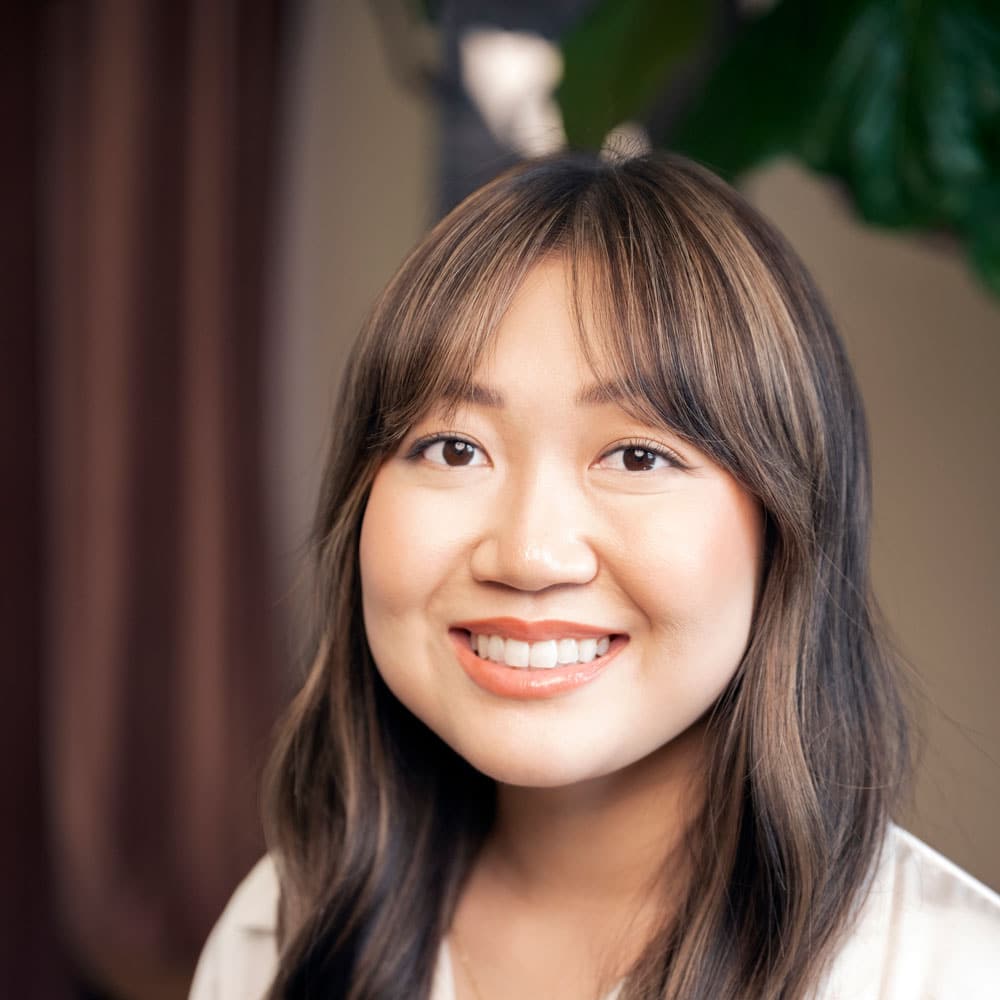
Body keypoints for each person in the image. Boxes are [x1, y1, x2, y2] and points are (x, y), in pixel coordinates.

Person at [189, 151, 1000, 999]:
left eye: (638, 456)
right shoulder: (280, 936)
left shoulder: (951, 976)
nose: (529, 557)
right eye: (455, 448)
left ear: (787, 527)